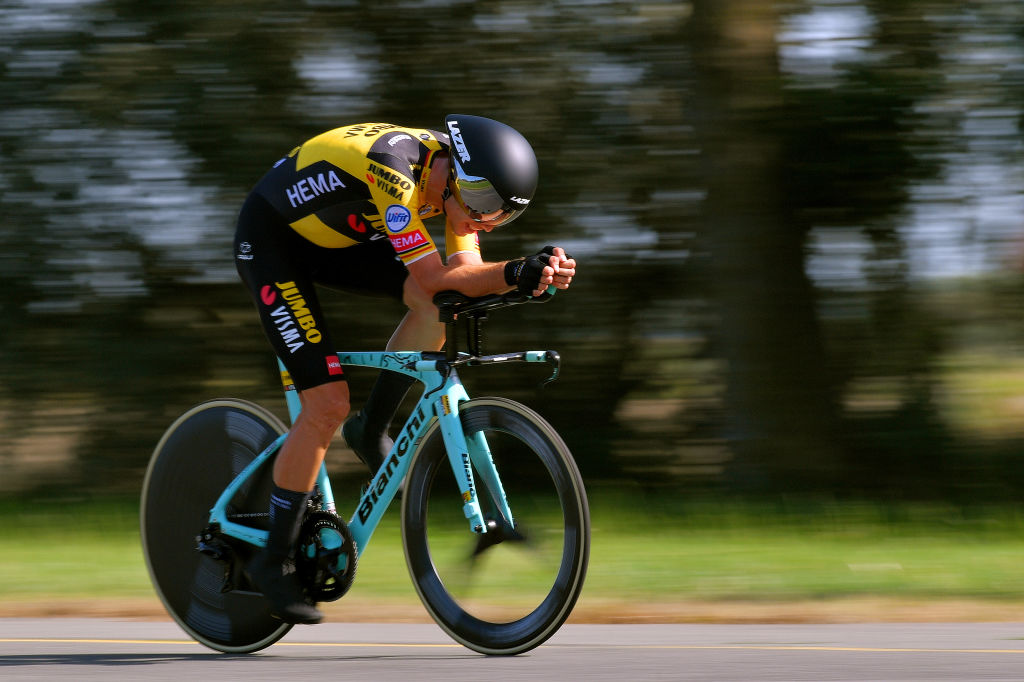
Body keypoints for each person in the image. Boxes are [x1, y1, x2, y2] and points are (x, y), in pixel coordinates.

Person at [233, 114, 576, 624]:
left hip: (333, 239)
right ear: (456, 174)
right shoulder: (392, 167)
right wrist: (512, 271)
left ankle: (372, 426)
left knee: (439, 306)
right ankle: (271, 558)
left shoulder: (458, 185)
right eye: (484, 205)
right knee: (326, 404)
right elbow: (437, 275)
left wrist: (529, 274)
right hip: (272, 242)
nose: (486, 221)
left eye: (501, 214)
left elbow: (462, 276)